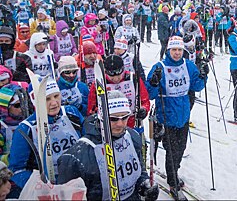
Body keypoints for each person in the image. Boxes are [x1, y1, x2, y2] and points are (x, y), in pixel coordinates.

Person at [57, 90, 158, 201]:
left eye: (124, 117)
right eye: (113, 119)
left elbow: (140, 171)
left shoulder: (132, 136)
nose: (120, 124)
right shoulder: (77, 156)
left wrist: (145, 186)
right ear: (101, 117)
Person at [146, 36, 207, 199]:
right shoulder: (160, 67)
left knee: (181, 148)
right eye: (174, 50)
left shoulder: (188, 65)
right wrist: (153, 82)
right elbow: (150, 95)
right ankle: (172, 181)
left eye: (180, 50)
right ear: (168, 51)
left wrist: (203, 75)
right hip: (167, 115)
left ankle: (174, 172)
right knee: (172, 151)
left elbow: (197, 86)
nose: (177, 53)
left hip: (184, 115)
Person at [9, 78, 83, 197]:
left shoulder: (71, 113)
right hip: (48, 190)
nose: (54, 103)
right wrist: (40, 186)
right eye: (47, 99)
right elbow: (17, 170)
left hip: (77, 181)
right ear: (35, 101)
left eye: (56, 96)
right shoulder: (25, 129)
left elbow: (86, 143)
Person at [88, 55, 150, 129]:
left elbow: (144, 99)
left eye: (119, 76)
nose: (116, 79)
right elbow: (92, 106)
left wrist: (144, 110)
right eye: (112, 77)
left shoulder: (133, 79)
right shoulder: (100, 83)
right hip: (110, 126)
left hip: (131, 123)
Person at [0, 84, 28, 165]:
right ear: (5, 108)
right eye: (17, 105)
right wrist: (9, 158)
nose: (22, 108)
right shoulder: (2, 128)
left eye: (24, 103)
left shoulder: (29, 121)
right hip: (9, 170)